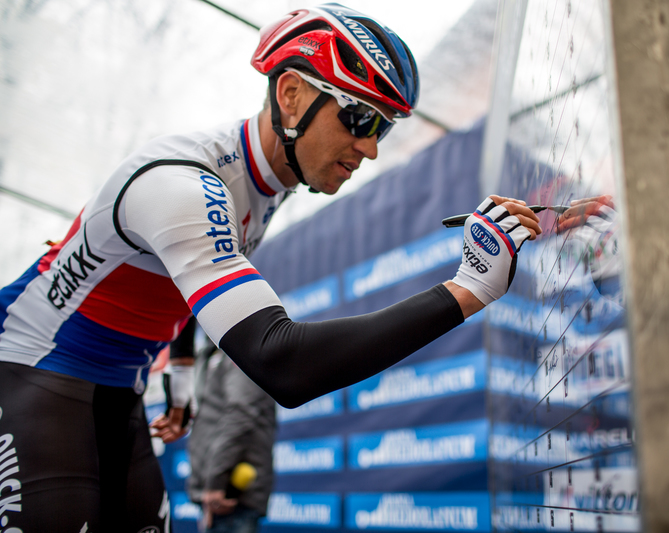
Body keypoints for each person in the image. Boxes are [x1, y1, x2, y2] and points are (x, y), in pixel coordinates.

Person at [0, 4, 542, 532]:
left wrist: (183, 380)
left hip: (121, 385)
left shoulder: (269, 184)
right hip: (33, 370)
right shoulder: (185, 184)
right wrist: (467, 289)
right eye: (359, 118)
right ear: (291, 94)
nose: (371, 148)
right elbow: (282, 363)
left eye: (386, 128)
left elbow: (193, 288)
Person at [186, 325, 276, 533]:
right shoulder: (209, 353)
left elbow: (241, 415)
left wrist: (216, 482)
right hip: (215, 496)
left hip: (230, 497)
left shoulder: (241, 348)